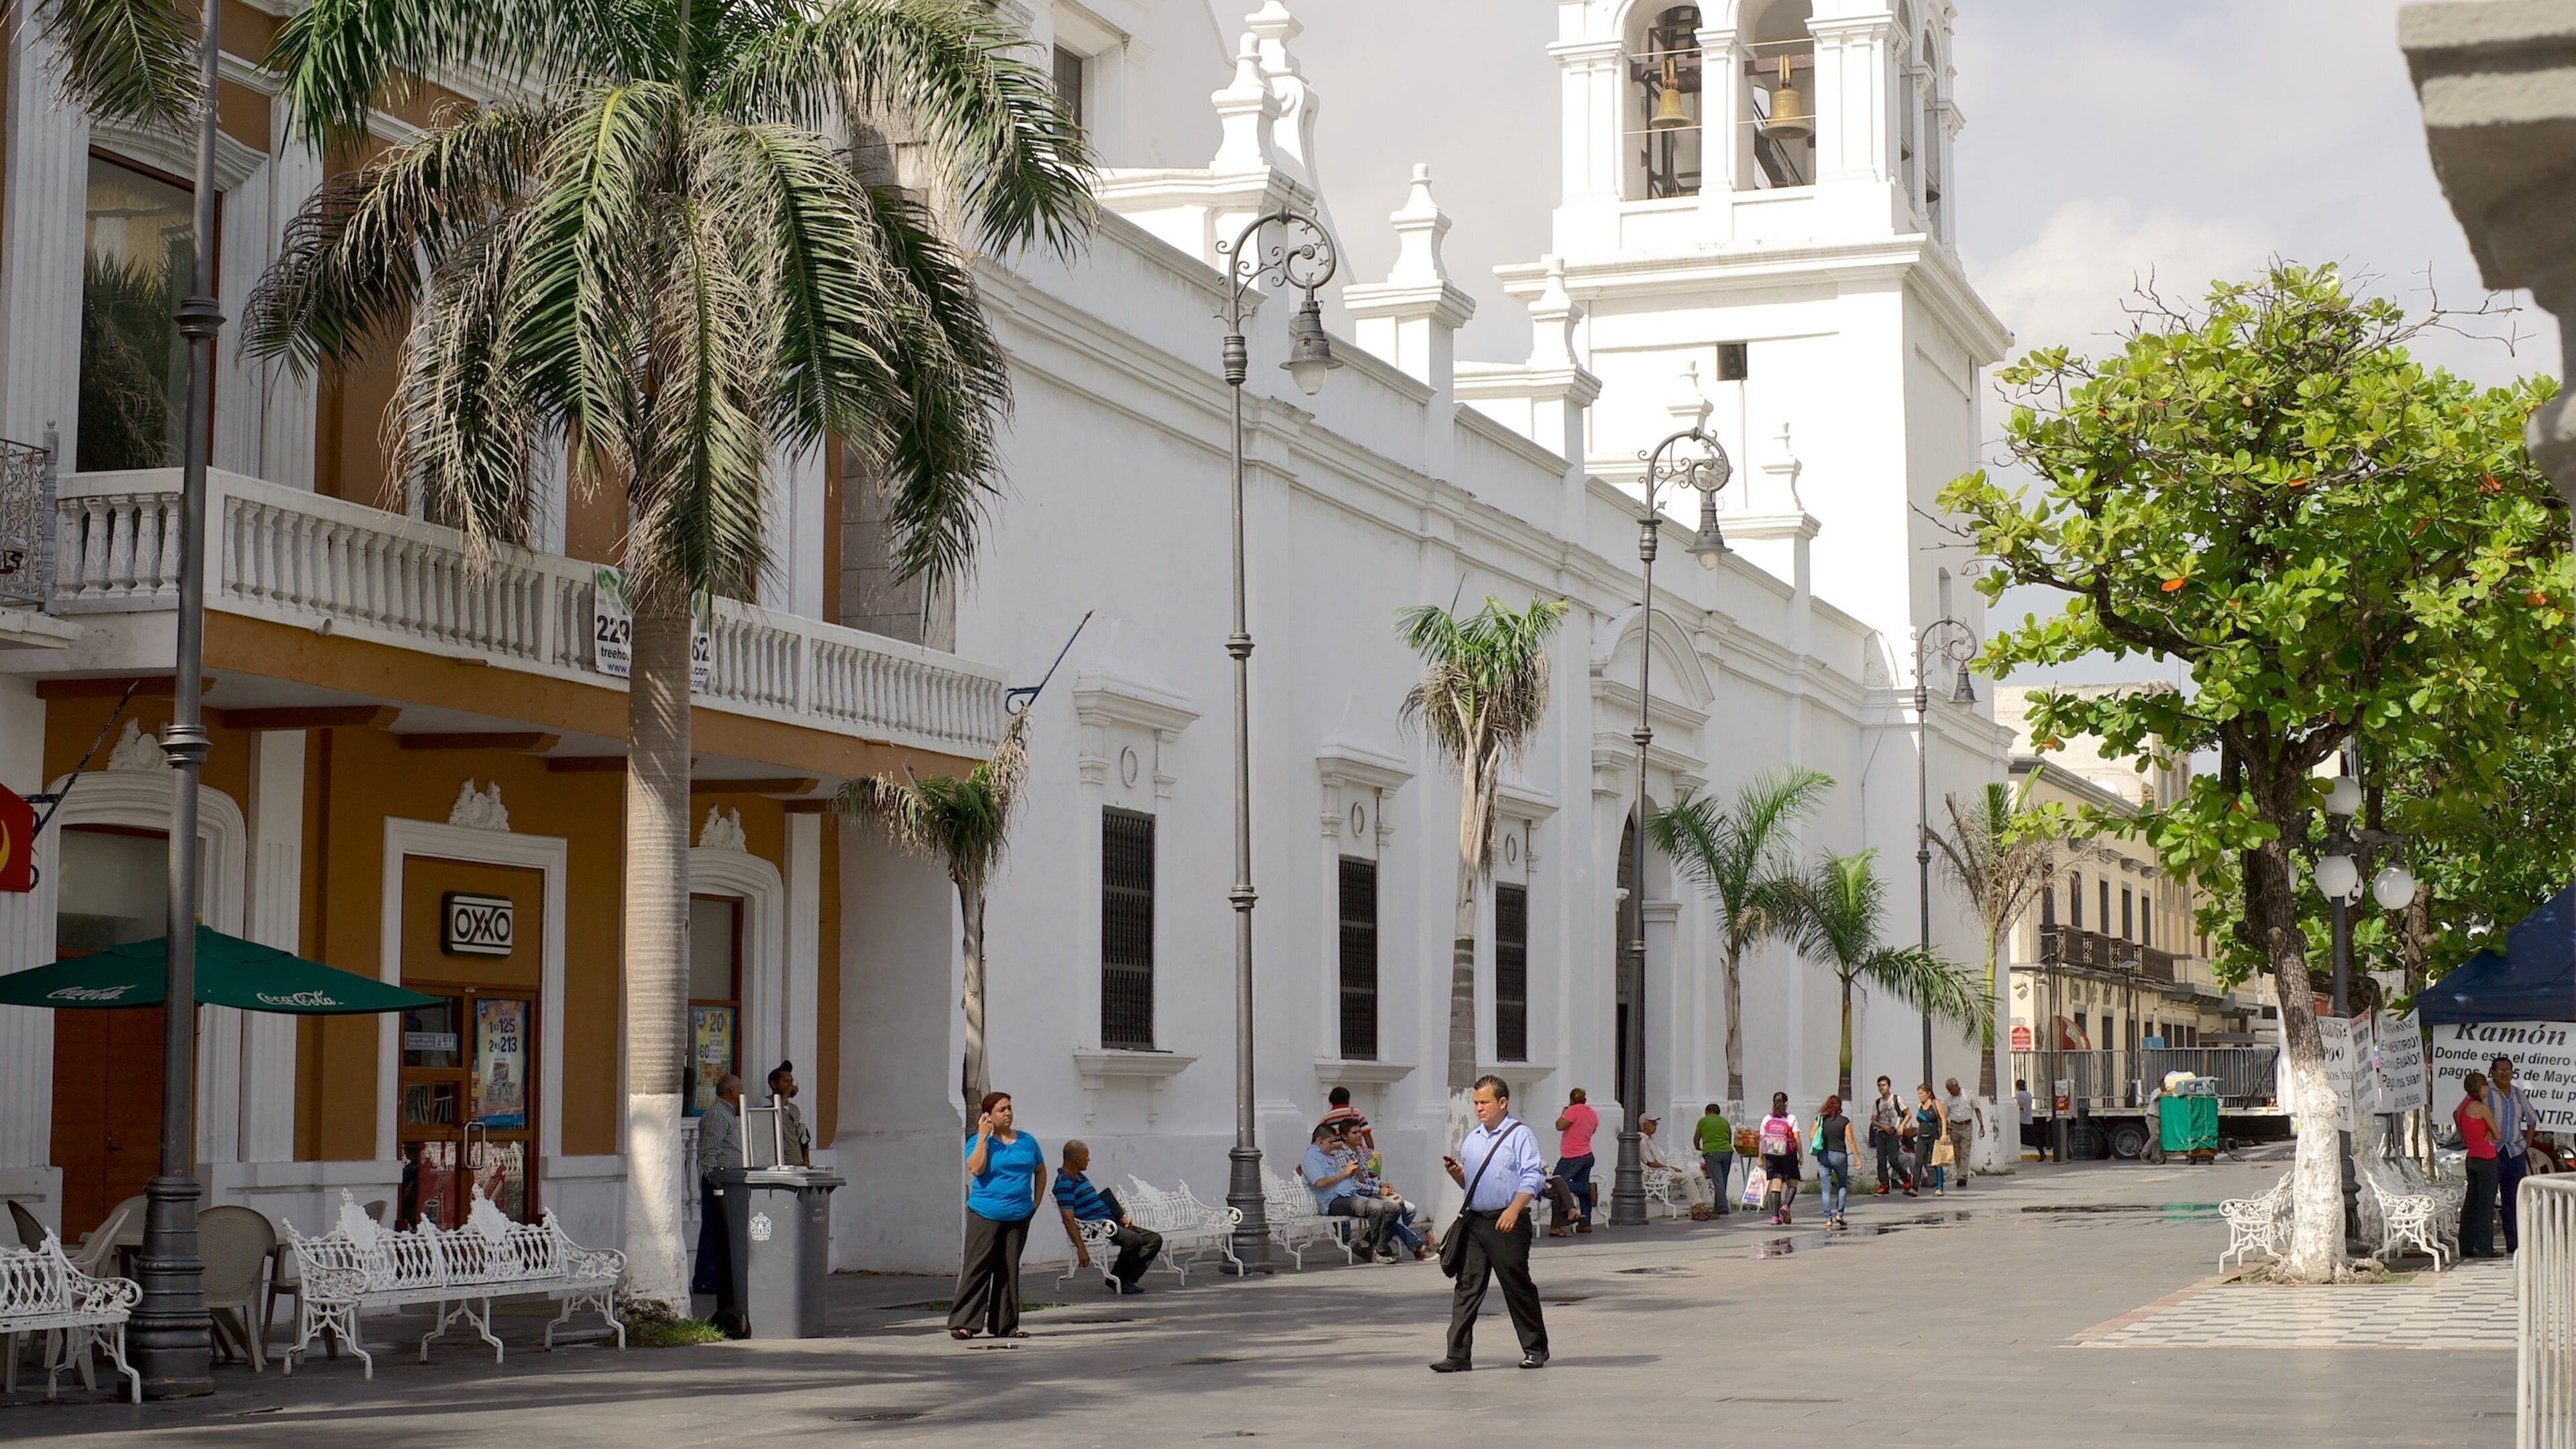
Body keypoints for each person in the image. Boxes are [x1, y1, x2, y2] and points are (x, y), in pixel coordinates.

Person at [1432, 1075, 1548, 1373]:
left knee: (1516, 1284)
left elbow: (1533, 1176)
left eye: (1484, 1102)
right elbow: (1470, 1183)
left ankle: (1535, 1349)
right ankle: (1457, 1355)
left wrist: (1514, 1209)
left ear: (1502, 1102)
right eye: (1476, 1103)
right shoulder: (1473, 1139)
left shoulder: (1520, 1135)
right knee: (1467, 1287)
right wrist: (1457, 1174)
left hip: (1507, 1221)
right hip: (1475, 1221)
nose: (1479, 1108)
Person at [951, 1090, 1045, 1340]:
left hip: (1019, 1214)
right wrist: (983, 1137)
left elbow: (1040, 1170)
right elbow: (975, 1168)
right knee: (978, 1267)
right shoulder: (978, 1141)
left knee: (1008, 1269)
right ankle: (964, 1323)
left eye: (1009, 1108)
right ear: (989, 1116)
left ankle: (1005, 1325)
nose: (1008, 1113)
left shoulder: (1027, 1141)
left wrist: (1035, 1202)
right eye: (1002, 1110)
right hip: (985, 1213)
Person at [1054, 1140, 1164, 1293]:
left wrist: (1121, 1216)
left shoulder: (1080, 1177)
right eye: (1087, 1156)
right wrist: (1081, 1247)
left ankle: (1126, 1279)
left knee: (1153, 1239)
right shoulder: (1064, 1184)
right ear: (1077, 1159)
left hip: (1109, 1223)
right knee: (1133, 1240)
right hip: (1096, 1228)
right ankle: (1119, 1279)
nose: (1089, 1160)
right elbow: (1068, 1218)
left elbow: (1097, 1199)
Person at [1303, 1123, 1401, 1259]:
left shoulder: (1327, 1154)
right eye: (1330, 1142)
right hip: (1334, 1201)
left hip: (1350, 1195)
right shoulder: (1312, 1157)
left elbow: (1337, 1153)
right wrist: (1344, 1173)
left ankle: (1368, 1245)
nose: (1333, 1145)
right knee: (1376, 1208)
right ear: (1320, 1141)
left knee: (1394, 1209)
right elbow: (1320, 1183)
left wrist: (1350, 1173)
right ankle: (1379, 1252)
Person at [1340, 1122, 1436, 1260]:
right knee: (1393, 1211)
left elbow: (1366, 1178)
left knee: (1410, 1209)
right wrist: (1378, 1189)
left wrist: (1381, 1185)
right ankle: (1417, 1247)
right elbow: (1352, 1185)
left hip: (1370, 1193)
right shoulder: (1342, 1155)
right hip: (1356, 1197)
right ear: (1344, 1136)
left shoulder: (1360, 1152)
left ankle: (1368, 1241)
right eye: (1354, 1133)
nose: (1359, 1135)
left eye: (1359, 1132)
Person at [691, 1073, 744, 1307]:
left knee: (723, 1231)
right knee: (713, 1230)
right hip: (718, 1181)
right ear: (732, 1091)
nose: (743, 1094)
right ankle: (704, 1279)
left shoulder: (727, 1114)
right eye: (740, 1089)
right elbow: (708, 1153)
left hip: (730, 1180)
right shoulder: (717, 1115)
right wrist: (716, 1181)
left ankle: (717, 1276)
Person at [2492, 1056, 2538, 1254]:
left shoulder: (2519, 1094)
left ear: (2512, 1073)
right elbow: (2463, 1113)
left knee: (2513, 1199)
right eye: (2500, 1069)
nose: (2505, 1073)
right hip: (2492, 1152)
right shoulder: (2486, 1093)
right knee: (2488, 1201)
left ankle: (2515, 1245)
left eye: (2508, 1070)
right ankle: (2484, 1246)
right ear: (2492, 1072)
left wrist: (2527, 1143)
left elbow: (2532, 1118)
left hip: (2515, 1153)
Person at [2456, 1072, 2502, 1258]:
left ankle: (2465, 1244)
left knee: (2471, 1202)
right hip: (2486, 1158)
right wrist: (2491, 1133)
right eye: (2486, 1087)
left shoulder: (2464, 1105)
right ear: (2481, 1088)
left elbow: (2455, 1116)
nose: (2488, 1090)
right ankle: (2486, 1246)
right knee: (2486, 1203)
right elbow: (2497, 1133)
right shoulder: (2482, 1108)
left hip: (2472, 1157)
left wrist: (2466, 1136)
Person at [1640, 1116, 1713, 1212]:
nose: (1655, 1126)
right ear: (1645, 1125)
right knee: (1687, 1177)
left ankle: (1708, 1205)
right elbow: (1650, 1163)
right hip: (1659, 1173)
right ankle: (1696, 1206)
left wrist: (1672, 1168)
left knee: (1698, 1175)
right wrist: (1670, 1168)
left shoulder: (1650, 1140)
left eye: (1656, 1124)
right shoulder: (1642, 1140)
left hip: (1666, 1169)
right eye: (1653, 1123)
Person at [1553, 1088, 1601, 1234]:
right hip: (1587, 1154)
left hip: (1571, 1156)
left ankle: (1588, 1188)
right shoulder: (1592, 1113)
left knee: (1555, 1184)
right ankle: (1585, 1224)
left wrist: (1564, 1113)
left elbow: (1559, 1126)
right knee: (1581, 1192)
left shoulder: (1573, 1111)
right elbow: (1592, 1131)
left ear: (1572, 1100)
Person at [1811, 1093, 1861, 1228]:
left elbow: (1811, 1135)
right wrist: (1857, 1158)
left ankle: (1828, 1219)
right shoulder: (1845, 1121)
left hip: (1824, 1156)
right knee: (1842, 1184)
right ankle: (1839, 1214)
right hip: (1840, 1155)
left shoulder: (1820, 1119)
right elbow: (1850, 1140)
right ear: (1840, 1107)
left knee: (1825, 1189)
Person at [1759, 1091, 1802, 1225]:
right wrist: (1801, 1155)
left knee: (1776, 1185)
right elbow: (1797, 1139)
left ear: (1773, 1103)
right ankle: (1786, 1206)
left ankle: (1774, 1217)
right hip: (1788, 1154)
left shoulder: (1767, 1119)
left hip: (1771, 1155)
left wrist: (1760, 1158)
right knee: (1792, 1182)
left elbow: (1762, 1140)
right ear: (1786, 1104)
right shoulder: (1791, 1119)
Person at [1870, 1077, 1915, 1197]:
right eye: (1879, 1085)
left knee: (1894, 1159)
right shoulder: (1878, 1102)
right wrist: (1882, 1126)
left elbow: (1908, 1114)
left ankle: (1905, 1178)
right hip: (1881, 1133)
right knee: (1881, 1160)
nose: (1881, 1088)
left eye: (1884, 1085)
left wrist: (1901, 1127)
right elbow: (1873, 1120)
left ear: (1889, 1086)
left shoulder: (1896, 1099)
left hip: (1893, 1133)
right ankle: (1884, 1184)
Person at [767, 1060, 812, 1165]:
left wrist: (806, 1160)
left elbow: (802, 1136)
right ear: (774, 1084)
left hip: (795, 1162)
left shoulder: (794, 1109)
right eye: (786, 1082)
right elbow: (773, 1118)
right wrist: (785, 1095)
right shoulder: (765, 1103)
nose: (790, 1085)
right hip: (778, 1164)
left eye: (791, 1082)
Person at [1693, 1102, 1733, 1214]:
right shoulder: (1724, 1121)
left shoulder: (1703, 1121)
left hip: (1711, 1152)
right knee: (1723, 1181)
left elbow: (1696, 1138)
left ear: (1707, 1112)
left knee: (1717, 1181)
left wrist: (1699, 1149)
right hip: (1727, 1151)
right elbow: (1730, 1138)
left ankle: (1723, 1208)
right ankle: (1719, 1206)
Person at [1941, 1077, 1981, 1188]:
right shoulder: (1948, 1100)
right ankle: (1961, 1173)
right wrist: (1944, 1129)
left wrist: (1981, 1125)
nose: (1950, 1092)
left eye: (1951, 1089)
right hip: (1954, 1127)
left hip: (1966, 1126)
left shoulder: (1968, 1095)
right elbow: (1944, 1115)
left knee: (1965, 1151)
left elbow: (1977, 1109)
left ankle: (1962, 1176)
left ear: (1956, 1087)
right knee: (1957, 1152)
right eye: (1948, 1090)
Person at [1913, 1085, 1949, 1197]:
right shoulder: (1920, 1106)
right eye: (1918, 1094)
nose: (1920, 1096)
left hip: (1934, 1137)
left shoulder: (1935, 1103)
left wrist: (1944, 1134)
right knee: (1918, 1161)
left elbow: (1943, 1118)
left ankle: (1940, 1188)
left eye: (1922, 1094)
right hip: (1921, 1138)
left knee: (1937, 1162)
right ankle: (1914, 1188)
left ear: (1928, 1093)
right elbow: (1920, 1122)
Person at [2015, 1079, 2041, 1162]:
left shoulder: (2020, 1095)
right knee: (2034, 1137)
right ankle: (2041, 1151)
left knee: (2020, 1137)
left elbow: (2021, 1107)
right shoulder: (2028, 1094)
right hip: (2029, 1119)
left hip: (2023, 1120)